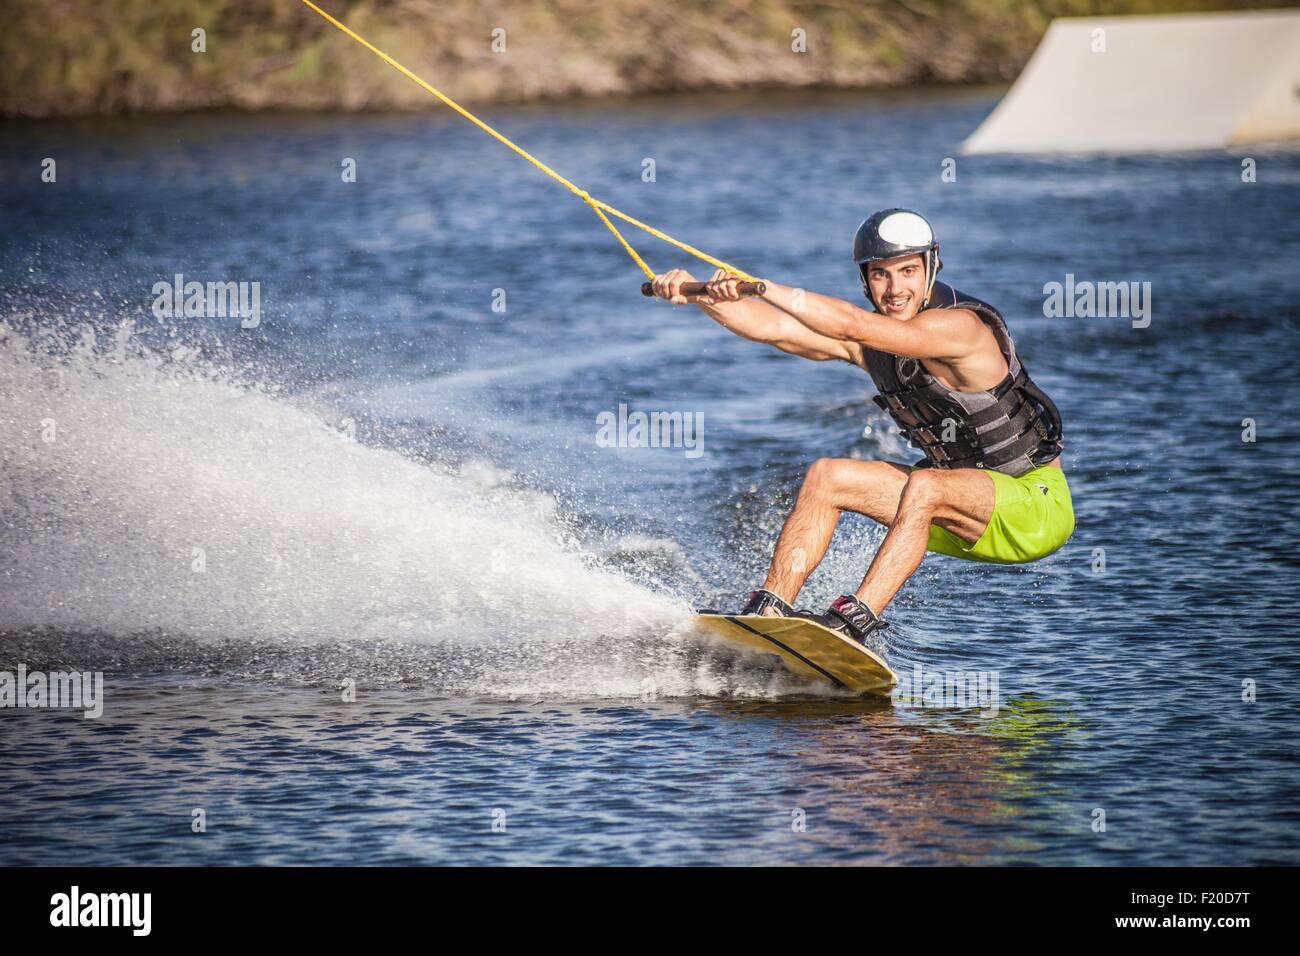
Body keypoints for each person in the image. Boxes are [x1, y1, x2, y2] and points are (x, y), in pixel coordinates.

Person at [650, 208, 1072, 643]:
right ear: (865, 279)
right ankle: (770, 611)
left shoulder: (961, 328)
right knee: (828, 477)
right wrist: (704, 296)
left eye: (908, 271)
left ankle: (853, 625)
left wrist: (765, 287)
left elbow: (852, 323)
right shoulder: (876, 341)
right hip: (959, 509)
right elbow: (776, 328)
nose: (894, 289)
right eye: (880, 275)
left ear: (931, 268)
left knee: (926, 484)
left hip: (1032, 506)